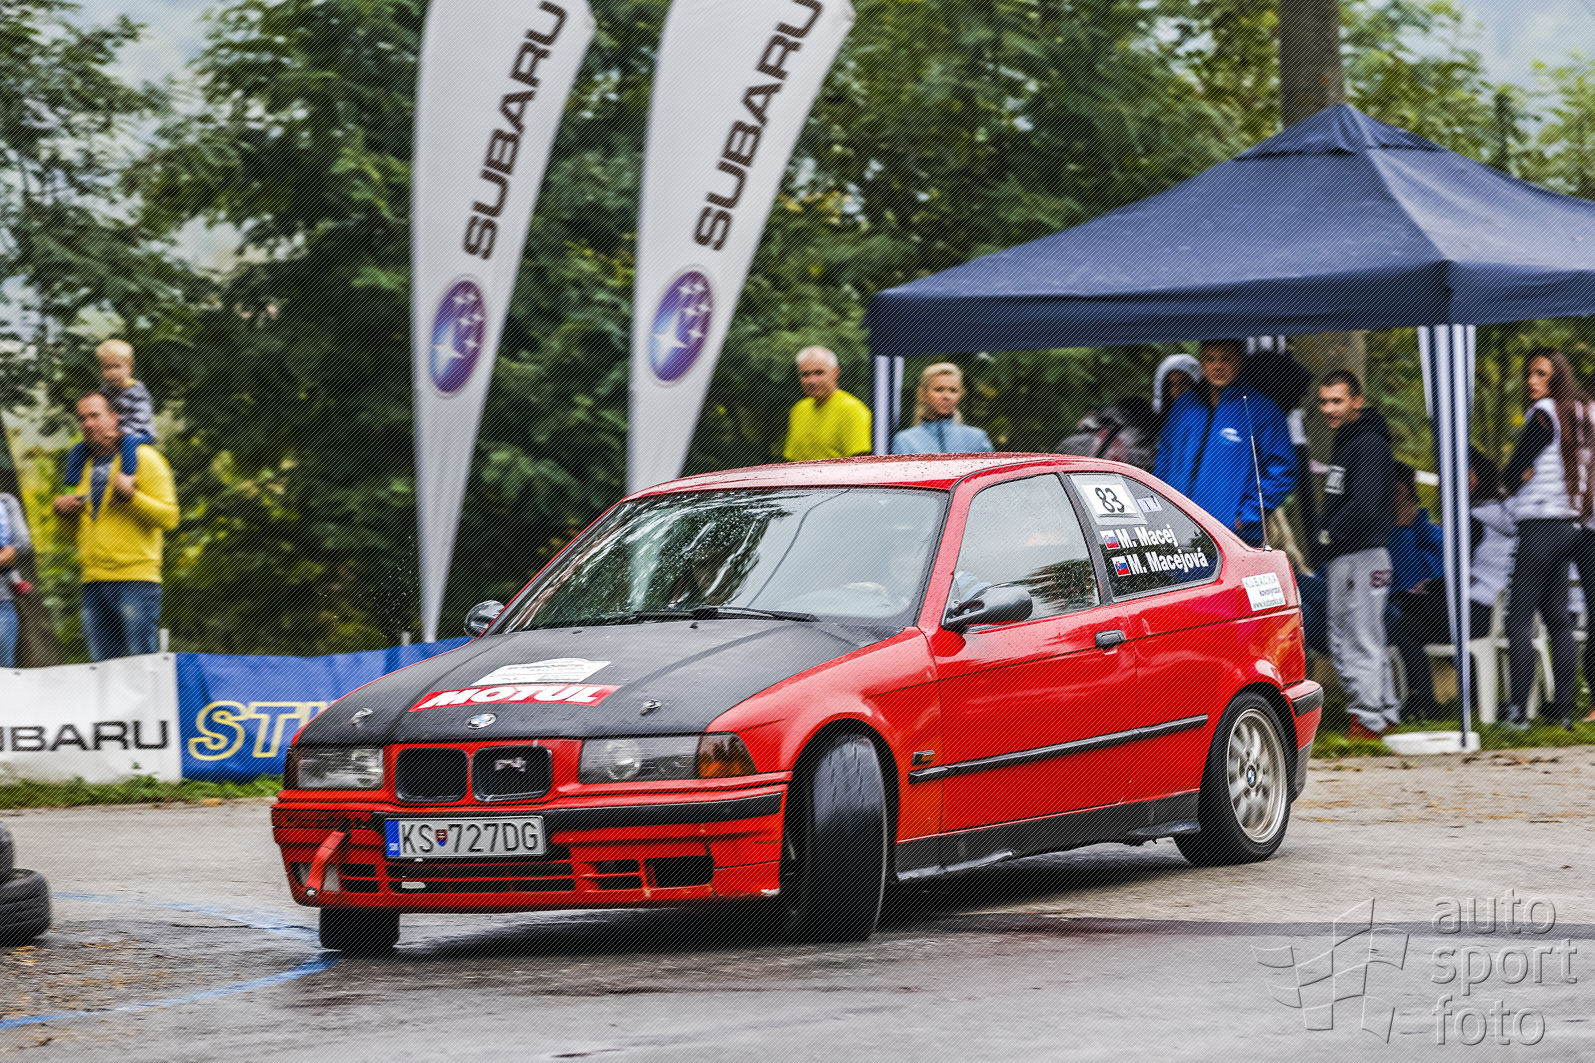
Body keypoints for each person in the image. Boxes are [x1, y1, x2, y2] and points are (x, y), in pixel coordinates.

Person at [1499, 348, 1592, 730]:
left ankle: (1517, 712)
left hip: (1540, 524)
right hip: (1571, 525)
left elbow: (1513, 470)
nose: (1531, 381)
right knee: (1557, 618)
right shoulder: (1581, 413)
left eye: (1540, 373)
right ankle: (1562, 710)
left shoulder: (1544, 414)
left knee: (1518, 619)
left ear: (1558, 377)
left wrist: (1512, 479)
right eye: (1530, 373)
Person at [51, 392, 179, 662]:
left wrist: (132, 498)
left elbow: (170, 518)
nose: (87, 423)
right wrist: (61, 512)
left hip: (136, 580)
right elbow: (73, 533)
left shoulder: (145, 458)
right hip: (92, 582)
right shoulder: (80, 467)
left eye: (94, 416)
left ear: (113, 417)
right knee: (102, 671)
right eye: (82, 418)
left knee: (141, 667)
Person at [1314, 370, 1398, 738]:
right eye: (1324, 401)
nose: (1328, 409)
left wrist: (1329, 533)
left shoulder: (1367, 443)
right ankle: (1385, 711)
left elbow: (1364, 504)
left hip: (1359, 555)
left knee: (1351, 636)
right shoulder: (1350, 441)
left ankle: (1366, 719)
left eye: (1337, 401)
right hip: (1363, 554)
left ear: (1357, 402)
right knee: (1367, 634)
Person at [1152, 339, 1295, 545]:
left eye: (1226, 359)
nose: (1217, 366)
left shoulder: (1261, 410)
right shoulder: (1184, 405)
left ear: (1240, 361)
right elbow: (1164, 455)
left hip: (1232, 537)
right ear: (1202, 363)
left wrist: (1245, 517)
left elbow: (1283, 470)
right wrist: (1161, 504)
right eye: (1210, 359)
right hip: (1177, 529)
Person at [63, 339, 157, 488]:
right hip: (117, 434)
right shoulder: (105, 391)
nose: (112, 372)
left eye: (117, 366)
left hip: (138, 432)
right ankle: (70, 487)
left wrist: (120, 432)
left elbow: (141, 417)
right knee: (79, 448)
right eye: (107, 367)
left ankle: (127, 477)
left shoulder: (137, 390)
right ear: (101, 370)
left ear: (130, 368)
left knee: (128, 442)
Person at [782, 346, 872, 462]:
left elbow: (860, 464)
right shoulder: (798, 409)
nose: (812, 380)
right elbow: (791, 461)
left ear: (835, 372)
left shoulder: (853, 410)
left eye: (819, 372)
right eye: (805, 374)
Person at [891, 362, 993, 454]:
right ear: (922, 394)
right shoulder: (904, 441)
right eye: (939, 389)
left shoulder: (976, 438)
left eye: (953, 390)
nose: (947, 396)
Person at [0, 489, 31, 668]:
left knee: (3, 676)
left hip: (2, 605)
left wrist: (9, 553)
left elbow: (22, 545)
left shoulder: (5, 501)